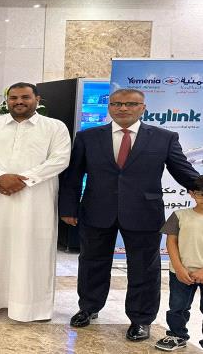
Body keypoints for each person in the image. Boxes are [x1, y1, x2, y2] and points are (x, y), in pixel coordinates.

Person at [59, 88, 200, 342]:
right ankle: (89, 307)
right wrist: (68, 208)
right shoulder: (87, 137)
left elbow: (184, 171)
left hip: (144, 212)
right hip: (96, 210)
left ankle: (141, 319)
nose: (123, 108)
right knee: (91, 262)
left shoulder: (164, 138)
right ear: (109, 107)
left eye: (131, 104)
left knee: (144, 267)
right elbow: (73, 175)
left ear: (143, 108)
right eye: (117, 104)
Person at [0, 82, 71, 321]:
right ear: (7, 101)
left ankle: (32, 307)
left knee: (32, 249)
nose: (19, 102)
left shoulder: (55, 127)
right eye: (13, 97)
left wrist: (24, 180)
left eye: (25, 97)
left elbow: (60, 159)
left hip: (36, 200)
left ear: (37, 99)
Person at [155, 176, 203, 351]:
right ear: (191, 193)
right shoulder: (179, 215)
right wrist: (179, 268)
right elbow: (171, 242)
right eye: (200, 193)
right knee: (177, 307)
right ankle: (177, 335)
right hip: (181, 273)